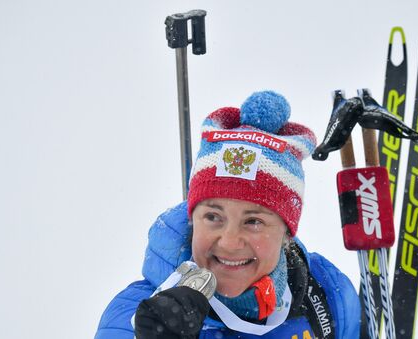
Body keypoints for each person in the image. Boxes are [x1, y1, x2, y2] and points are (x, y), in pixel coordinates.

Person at [94, 91, 360, 338]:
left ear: (286, 232)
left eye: (253, 221)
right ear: (193, 220)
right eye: (213, 217)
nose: (230, 242)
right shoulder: (139, 317)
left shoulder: (328, 296)